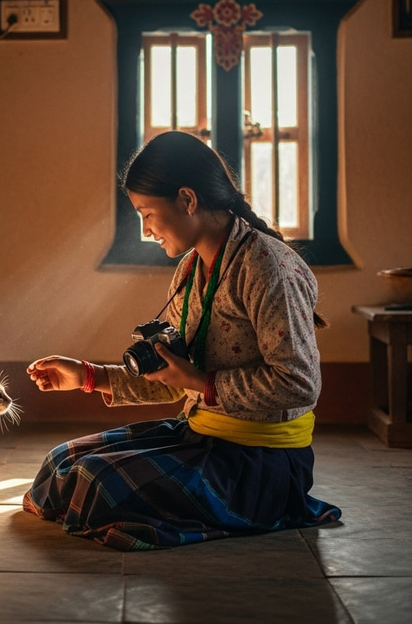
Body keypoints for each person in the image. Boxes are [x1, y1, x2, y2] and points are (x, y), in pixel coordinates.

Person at [23, 131, 342, 550]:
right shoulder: (191, 270)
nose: (146, 229)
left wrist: (201, 383)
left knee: (96, 481)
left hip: (260, 462)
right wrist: (85, 376)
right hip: (200, 435)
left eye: (147, 213)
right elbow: (174, 375)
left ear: (187, 200)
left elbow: (300, 383)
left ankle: (251, 509)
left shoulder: (267, 266)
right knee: (61, 463)